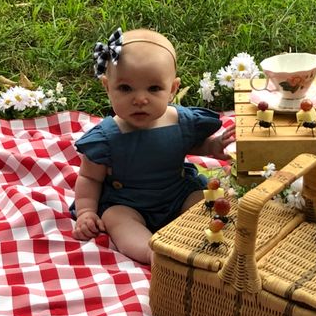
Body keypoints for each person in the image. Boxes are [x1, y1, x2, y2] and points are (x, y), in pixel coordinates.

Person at [71, 28, 235, 264]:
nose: (140, 99)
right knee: (116, 218)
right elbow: (89, 178)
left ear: (172, 90)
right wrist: (86, 212)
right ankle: (152, 253)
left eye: (154, 88)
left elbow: (191, 144)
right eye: (125, 88)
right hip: (128, 201)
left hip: (177, 192)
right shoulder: (106, 138)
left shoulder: (180, 121)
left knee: (205, 202)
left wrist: (213, 146)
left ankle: (200, 242)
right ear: (107, 87)